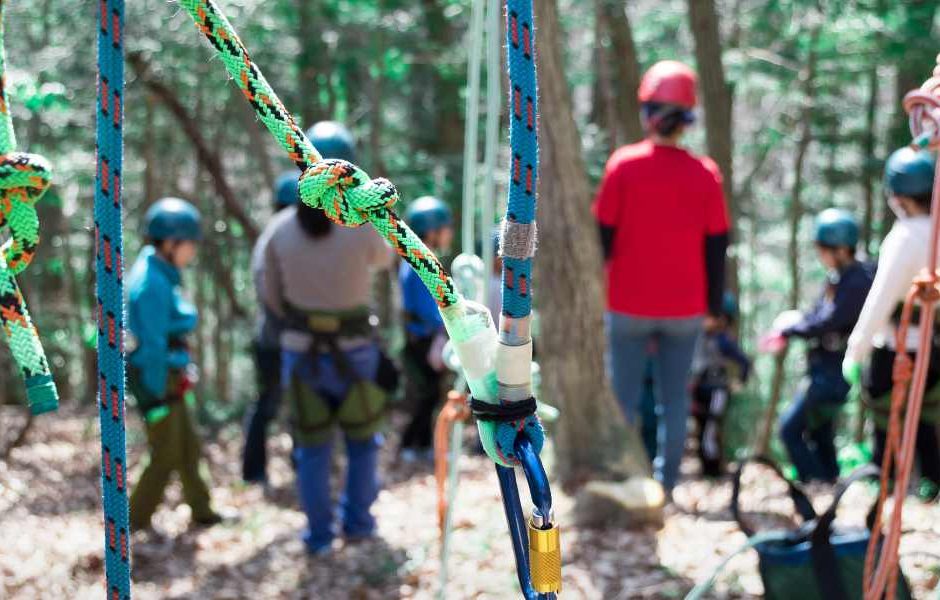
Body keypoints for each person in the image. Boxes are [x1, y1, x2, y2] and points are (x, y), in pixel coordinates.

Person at [258, 121, 396, 554]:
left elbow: (268, 293)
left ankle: (319, 536)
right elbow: (385, 259)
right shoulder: (361, 223)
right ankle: (358, 524)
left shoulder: (279, 229)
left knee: (313, 448)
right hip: (356, 352)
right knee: (362, 441)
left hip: (301, 353)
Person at [592, 60, 730, 493]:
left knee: (623, 399)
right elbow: (717, 247)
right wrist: (712, 307)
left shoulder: (623, 166)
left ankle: (624, 479)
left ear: (649, 111)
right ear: (687, 119)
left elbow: (604, 238)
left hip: (627, 304)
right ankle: (665, 487)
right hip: (684, 308)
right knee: (674, 401)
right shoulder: (705, 173)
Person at [843, 147, 940, 499]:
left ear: (896, 195)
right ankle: (930, 484)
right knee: (927, 419)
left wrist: (856, 351)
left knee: (886, 420)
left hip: (897, 347)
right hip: (931, 349)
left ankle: (888, 485)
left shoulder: (904, 237)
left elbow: (881, 300)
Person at [127, 197, 223, 530]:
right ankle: (133, 520)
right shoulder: (151, 284)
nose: (192, 252)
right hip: (159, 379)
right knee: (166, 452)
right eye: (189, 244)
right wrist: (155, 397)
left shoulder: (161, 274)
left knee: (189, 446)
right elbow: (152, 347)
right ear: (170, 243)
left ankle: (203, 511)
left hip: (170, 375)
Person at [765, 209, 874, 484]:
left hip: (833, 372)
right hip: (824, 368)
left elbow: (829, 321)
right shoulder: (838, 277)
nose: (820, 256)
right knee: (820, 430)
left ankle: (814, 483)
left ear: (838, 249)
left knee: (790, 429)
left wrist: (790, 329)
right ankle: (828, 483)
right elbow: (816, 314)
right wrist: (793, 324)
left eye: (822, 249)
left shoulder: (858, 280)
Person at [241, 172, 301, 485]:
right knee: (268, 405)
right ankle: (254, 471)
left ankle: (299, 465)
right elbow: (270, 294)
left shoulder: (281, 238)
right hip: (275, 340)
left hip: (285, 337)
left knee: (297, 406)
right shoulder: (275, 239)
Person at [399, 196, 454, 462]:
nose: (449, 234)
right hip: (423, 340)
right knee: (426, 395)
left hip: (424, 338)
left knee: (429, 395)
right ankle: (412, 445)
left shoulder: (418, 258)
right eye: (445, 228)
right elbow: (427, 309)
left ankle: (419, 445)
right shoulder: (417, 262)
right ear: (431, 230)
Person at [690, 292, 751, 477]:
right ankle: (706, 468)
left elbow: (745, 362)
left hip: (716, 391)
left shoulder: (723, 341)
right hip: (699, 390)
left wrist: (739, 383)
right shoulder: (699, 337)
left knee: (711, 430)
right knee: (701, 430)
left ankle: (714, 470)